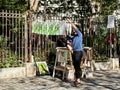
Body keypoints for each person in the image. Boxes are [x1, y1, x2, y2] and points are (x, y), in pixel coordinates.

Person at [66, 19, 83, 87]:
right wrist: (68, 45)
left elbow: (75, 28)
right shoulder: (73, 37)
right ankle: (77, 79)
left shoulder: (80, 35)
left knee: (77, 66)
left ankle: (78, 80)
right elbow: (67, 38)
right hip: (74, 52)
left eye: (74, 29)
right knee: (75, 66)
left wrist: (70, 22)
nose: (73, 30)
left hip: (78, 52)